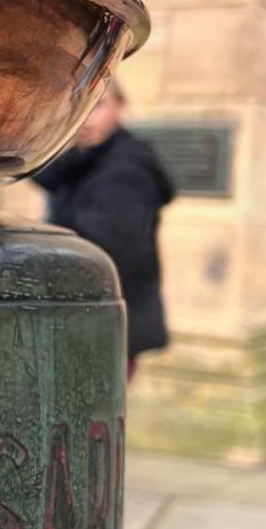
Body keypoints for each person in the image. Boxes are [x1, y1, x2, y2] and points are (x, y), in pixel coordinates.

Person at [33, 82, 176, 380]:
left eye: (97, 105)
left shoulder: (126, 169)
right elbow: (46, 175)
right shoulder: (84, 160)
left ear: (120, 107)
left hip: (105, 325)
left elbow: (106, 253)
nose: (85, 118)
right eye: (77, 106)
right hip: (87, 319)